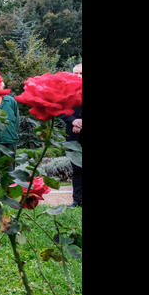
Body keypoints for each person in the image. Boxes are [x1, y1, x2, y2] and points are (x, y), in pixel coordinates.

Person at [62, 63, 83, 207]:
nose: (78, 76)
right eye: (75, 73)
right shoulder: (65, 91)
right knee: (77, 169)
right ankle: (78, 200)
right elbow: (61, 109)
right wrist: (73, 121)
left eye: (81, 73)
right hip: (73, 136)